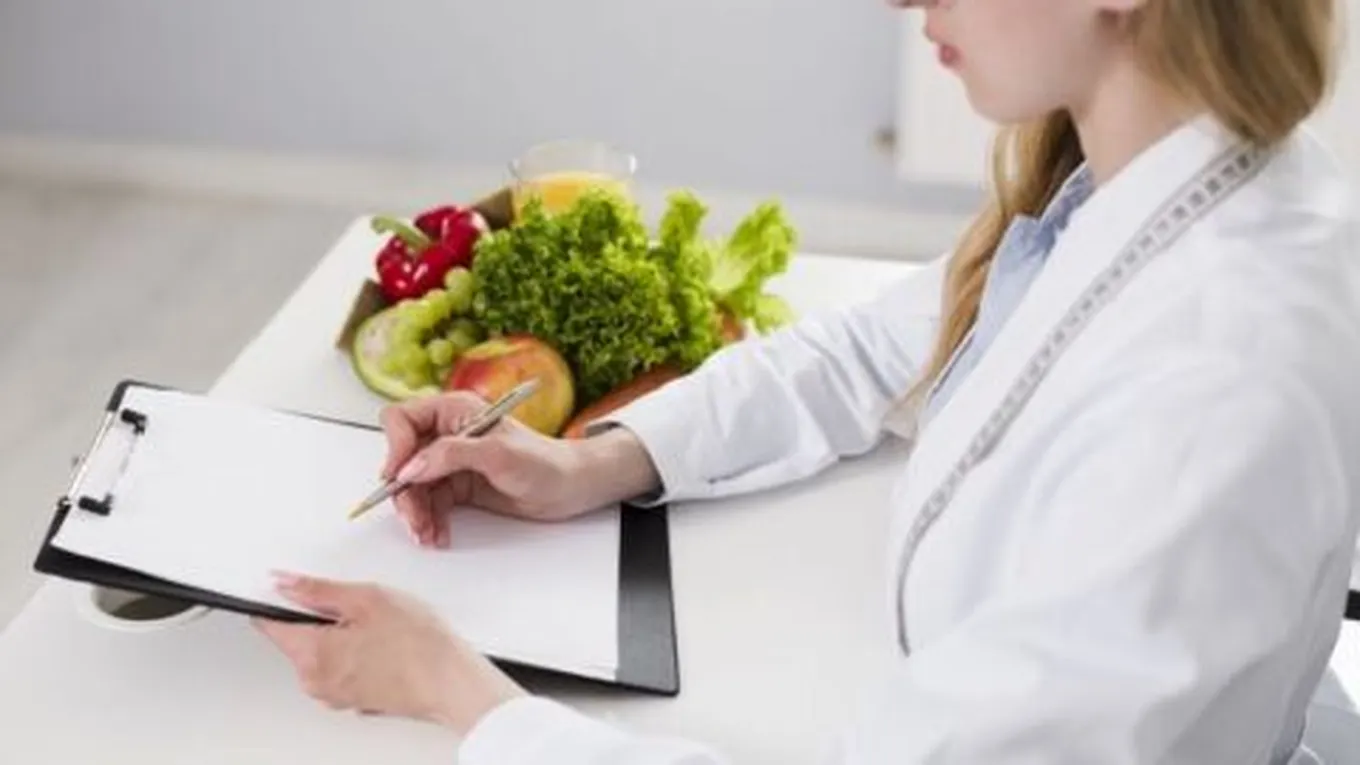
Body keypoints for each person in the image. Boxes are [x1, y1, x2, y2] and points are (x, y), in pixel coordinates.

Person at [254, 0, 1360, 762]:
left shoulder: (1217, 384)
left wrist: (459, 693)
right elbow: (873, 347)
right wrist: (593, 462)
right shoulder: (1151, 181)